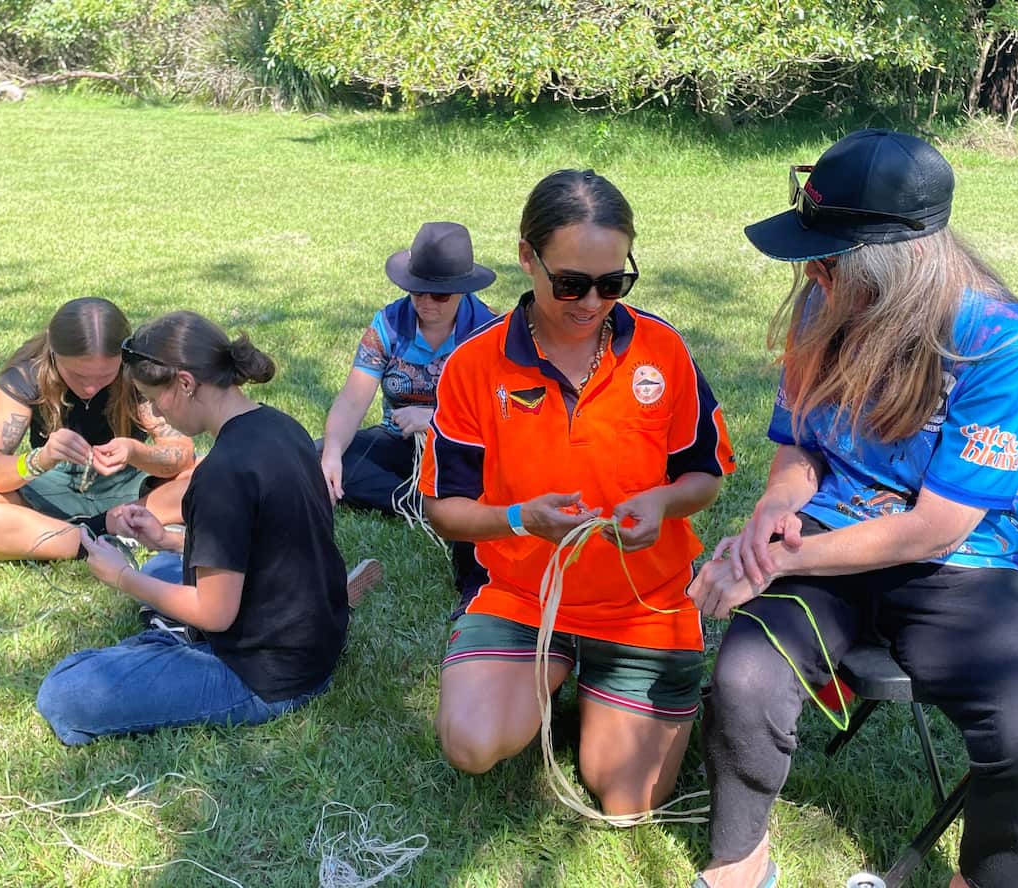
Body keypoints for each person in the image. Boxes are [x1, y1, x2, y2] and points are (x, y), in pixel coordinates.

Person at [688, 130, 1018, 888]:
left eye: (827, 259)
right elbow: (800, 449)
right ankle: (739, 862)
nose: (812, 274)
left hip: (963, 566)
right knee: (746, 676)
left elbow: (936, 527)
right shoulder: (825, 299)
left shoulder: (1000, 345)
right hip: (831, 533)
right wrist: (774, 511)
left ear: (891, 266)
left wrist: (778, 558)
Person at [419, 169, 735, 815]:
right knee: (470, 744)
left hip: (644, 601)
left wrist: (664, 504)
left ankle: (622, 691)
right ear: (526, 258)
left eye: (612, 283)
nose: (591, 302)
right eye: (570, 283)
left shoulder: (662, 350)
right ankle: (557, 678)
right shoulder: (476, 365)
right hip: (522, 598)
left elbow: (706, 474)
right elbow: (441, 509)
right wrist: (518, 520)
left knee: (625, 801)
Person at [36, 311, 348, 745]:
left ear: (185, 383)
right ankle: (167, 638)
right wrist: (165, 538)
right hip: (311, 639)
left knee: (65, 692)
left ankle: (169, 646)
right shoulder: (281, 426)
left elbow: (215, 612)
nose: (151, 409)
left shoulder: (221, 473)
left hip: (264, 675)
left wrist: (121, 576)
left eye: (150, 397)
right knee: (163, 566)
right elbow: (264, 545)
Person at [320, 221, 499, 605]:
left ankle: (437, 504)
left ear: (463, 292)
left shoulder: (490, 331)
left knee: (490, 479)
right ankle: (422, 503)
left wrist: (435, 419)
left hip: (462, 448)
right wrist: (332, 452)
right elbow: (353, 399)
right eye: (418, 291)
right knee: (317, 455)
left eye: (440, 295)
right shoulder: (388, 323)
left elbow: (500, 417)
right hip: (398, 441)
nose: (426, 303)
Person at [0, 297, 194, 562]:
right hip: (50, 487)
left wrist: (134, 451)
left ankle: (121, 522)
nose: (91, 388)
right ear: (54, 352)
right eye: (79, 376)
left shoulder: (136, 370)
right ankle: (89, 539)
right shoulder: (27, 375)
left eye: (105, 375)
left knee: (215, 473)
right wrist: (40, 459)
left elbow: (181, 455)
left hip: (133, 486)